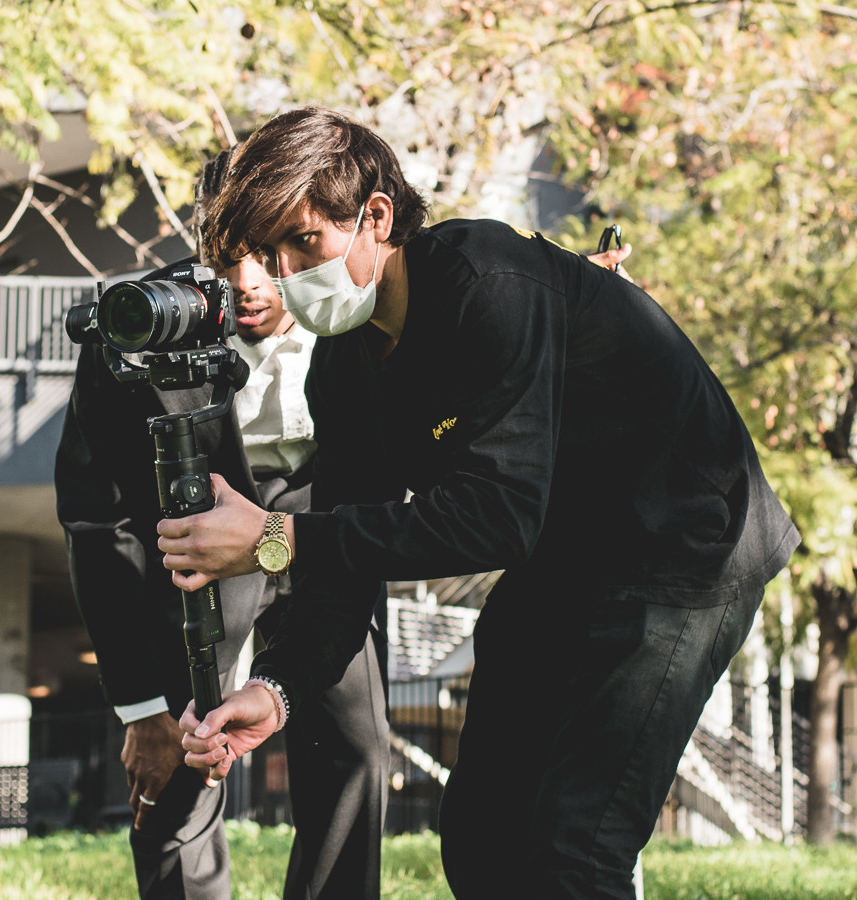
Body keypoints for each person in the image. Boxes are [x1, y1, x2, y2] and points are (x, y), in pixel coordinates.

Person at [163, 108, 800, 900]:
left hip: (683, 546)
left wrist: (274, 536)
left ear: (377, 217)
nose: (286, 273)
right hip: (565, 555)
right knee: (480, 836)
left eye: (304, 242)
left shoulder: (489, 285)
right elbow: (345, 571)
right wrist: (275, 690)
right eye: (270, 254)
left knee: (575, 850)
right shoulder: (343, 370)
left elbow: (496, 517)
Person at [54, 150, 392, 900]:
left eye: (267, 253)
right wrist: (141, 708)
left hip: (323, 529)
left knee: (358, 751)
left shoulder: (363, 307)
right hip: (198, 541)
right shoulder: (137, 323)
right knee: (180, 765)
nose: (246, 281)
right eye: (224, 255)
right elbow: (97, 516)